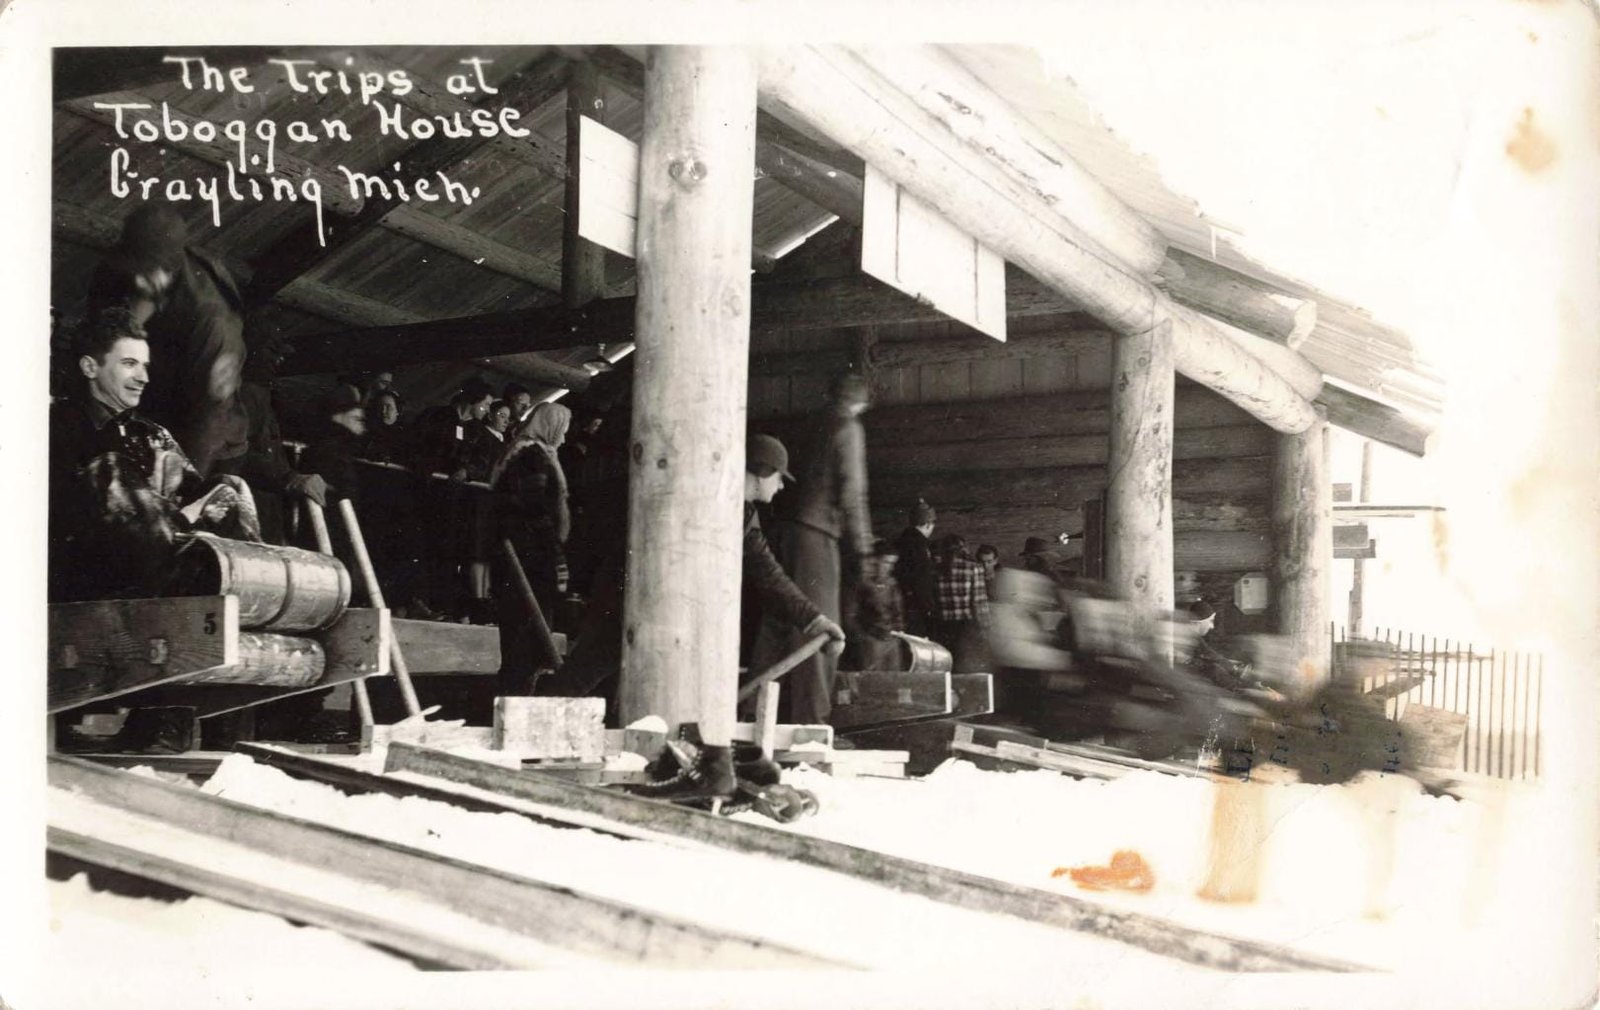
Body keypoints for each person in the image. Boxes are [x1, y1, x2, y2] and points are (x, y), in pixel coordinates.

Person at [644, 435, 847, 802]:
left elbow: (767, 572)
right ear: (762, 471)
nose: (781, 486)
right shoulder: (710, 497)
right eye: (779, 477)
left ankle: (691, 765)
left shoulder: (743, 514)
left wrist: (813, 620)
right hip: (651, 600)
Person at [49, 308, 261, 603]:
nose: (143, 377)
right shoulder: (58, 424)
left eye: (145, 366)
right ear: (90, 367)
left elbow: (197, 494)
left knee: (230, 486)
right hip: (93, 579)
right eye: (129, 364)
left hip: (166, 559)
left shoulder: (152, 434)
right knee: (111, 470)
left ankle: (253, 588)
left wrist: (190, 511)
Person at [86, 205, 249, 477]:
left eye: (147, 272)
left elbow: (211, 415)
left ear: (170, 270)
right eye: (133, 269)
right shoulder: (121, 270)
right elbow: (95, 341)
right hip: (150, 418)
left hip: (205, 441)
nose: (137, 280)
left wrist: (185, 486)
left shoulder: (212, 320)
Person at [751, 373, 873, 725]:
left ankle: (747, 717)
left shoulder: (812, 422)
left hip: (784, 532)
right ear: (861, 402)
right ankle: (811, 725)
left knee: (777, 624)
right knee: (820, 630)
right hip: (816, 535)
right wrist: (863, 551)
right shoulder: (848, 428)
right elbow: (852, 493)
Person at [216, 323, 326, 545]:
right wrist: (290, 479)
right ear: (252, 351)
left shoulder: (260, 393)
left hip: (261, 514)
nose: (280, 359)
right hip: (247, 517)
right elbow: (236, 458)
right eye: (273, 352)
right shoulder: (247, 395)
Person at [490, 403, 573, 696]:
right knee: (527, 636)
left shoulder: (522, 452)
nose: (563, 438)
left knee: (521, 636)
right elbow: (534, 508)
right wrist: (553, 551)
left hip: (519, 555)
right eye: (562, 430)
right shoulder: (531, 456)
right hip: (528, 557)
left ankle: (516, 697)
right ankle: (519, 700)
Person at [843, 539, 905, 672]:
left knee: (894, 679)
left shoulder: (891, 584)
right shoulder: (860, 584)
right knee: (872, 680)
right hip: (870, 643)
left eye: (892, 564)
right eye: (886, 562)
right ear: (875, 561)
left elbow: (897, 612)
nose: (890, 568)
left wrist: (898, 631)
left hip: (891, 641)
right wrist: (864, 639)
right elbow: (849, 617)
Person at [933, 533, 991, 673]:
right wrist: (985, 627)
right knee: (966, 666)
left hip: (942, 625)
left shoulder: (935, 570)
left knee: (947, 665)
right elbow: (979, 602)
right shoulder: (973, 568)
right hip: (966, 625)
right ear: (963, 548)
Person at [893, 499, 940, 637]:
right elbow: (921, 578)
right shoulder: (920, 546)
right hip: (916, 605)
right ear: (928, 524)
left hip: (901, 601)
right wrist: (928, 605)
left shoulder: (901, 540)